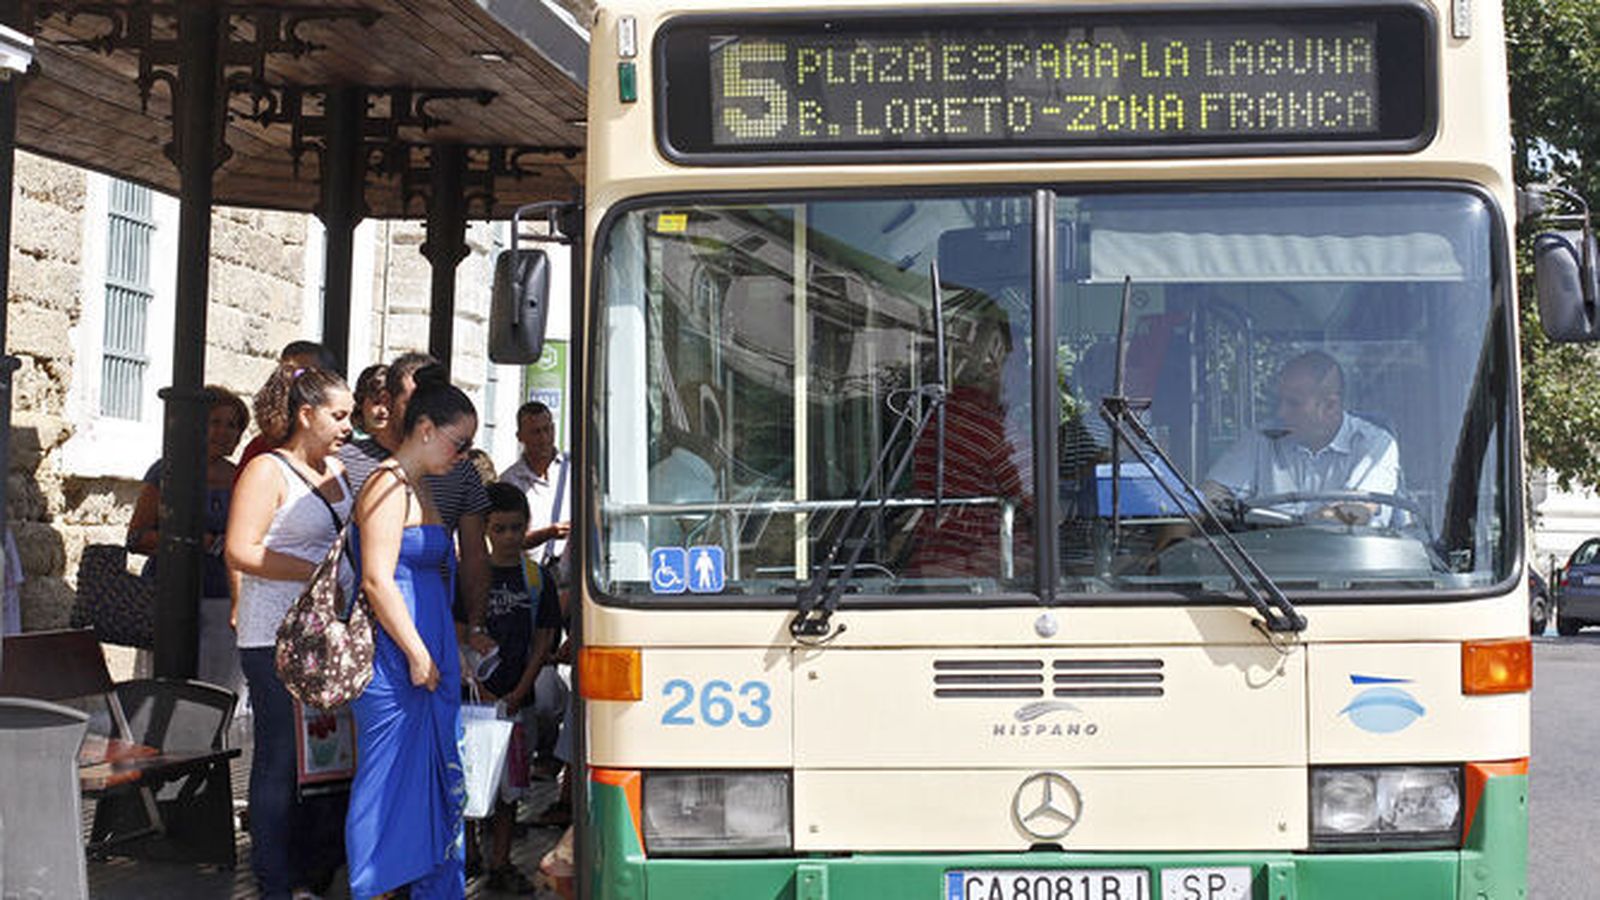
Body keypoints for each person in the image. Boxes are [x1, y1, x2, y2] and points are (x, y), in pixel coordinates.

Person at [223, 366, 354, 900]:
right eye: (339, 415)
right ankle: (275, 878)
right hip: (274, 630)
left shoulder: (340, 469)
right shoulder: (266, 471)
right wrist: (312, 572)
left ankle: (313, 867)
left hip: (328, 632)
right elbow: (241, 549)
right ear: (307, 415)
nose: (348, 425)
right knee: (281, 756)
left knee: (328, 755)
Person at [346, 380, 479, 899]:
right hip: (398, 655)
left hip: (428, 648)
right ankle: (373, 889)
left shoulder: (418, 483)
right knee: (387, 780)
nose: (464, 456)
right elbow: (377, 579)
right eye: (459, 443)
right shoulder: (386, 485)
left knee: (433, 781)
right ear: (425, 430)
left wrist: (446, 650)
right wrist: (419, 653)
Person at [339, 352, 495, 659]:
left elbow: (475, 554)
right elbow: (373, 576)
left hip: (435, 621)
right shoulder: (353, 464)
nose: (423, 410)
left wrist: (472, 629)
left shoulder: (447, 473)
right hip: (378, 630)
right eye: (414, 400)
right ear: (388, 399)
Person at [126, 384, 249, 690]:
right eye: (215, 422)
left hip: (222, 598)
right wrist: (194, 540)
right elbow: (137, 537)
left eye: (232, 425)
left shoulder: (243, 477)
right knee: (165, 685)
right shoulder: (166, 470)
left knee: (217, 688)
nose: (223, 432)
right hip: (170, 594)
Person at [905, 306, 1034, 580]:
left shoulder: (937, 418)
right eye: (1021, 365)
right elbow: (1042, 505)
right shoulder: (998, 433)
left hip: (933, 558)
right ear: (993, 366)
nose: (1026, 376)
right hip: (986, 569)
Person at [476, 482, 561, 893]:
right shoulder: (471, 574)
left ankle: (500, 861)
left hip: (516, 700)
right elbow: (457, 635)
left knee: (511, 788)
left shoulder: (535, 577)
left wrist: (520, 688)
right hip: (474, 704)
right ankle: (470, 856)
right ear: (485, 530)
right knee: (472, 785)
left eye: (515, 528)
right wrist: (480, 688)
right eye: (499, 529)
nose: (509, 537)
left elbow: (544, 639)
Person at [1201, 350, 1401, 525]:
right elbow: (1211, 492)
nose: (1281, 412)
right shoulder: (1262, 439)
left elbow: (1358, 511)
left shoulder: (1374, 444)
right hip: (1266, 564)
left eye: (1293, 403)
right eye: (1280, 400)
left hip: (1349, 564)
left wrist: (1285, 528)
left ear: (1330, 406)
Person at [237, 341, 342, 477]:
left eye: (305, 373)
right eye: (286, 372)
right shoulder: (261, 448)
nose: (290, 380)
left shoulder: (341, 449)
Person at [499, 401, 571, 572]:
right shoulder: (510, 481)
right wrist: (549, 533)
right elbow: (508, 540)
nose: (544, 438)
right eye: (535, 432)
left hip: (573, 573)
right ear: (520, 437)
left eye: (547, 430)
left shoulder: (572, 470)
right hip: (529, 574)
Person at [352, 363, 390, 440]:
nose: (383, 411)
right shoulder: (348, 438)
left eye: (388, 404)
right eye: (376, 403)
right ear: (360, 402)